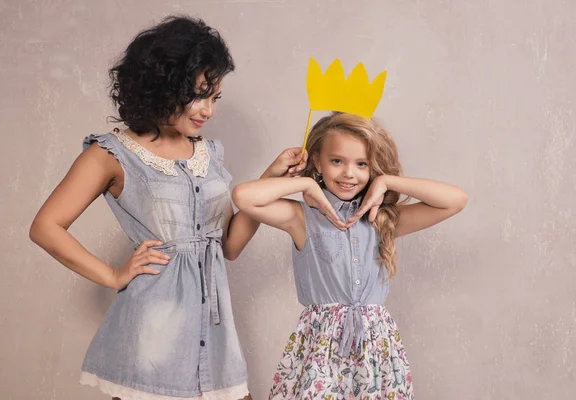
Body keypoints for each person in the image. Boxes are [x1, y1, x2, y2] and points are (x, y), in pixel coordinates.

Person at [29, 15, 307, 400]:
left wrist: (271, 178)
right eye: (198, 94)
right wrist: (112, 275)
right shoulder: (112, 154)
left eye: (214, 97)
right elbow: (45, 226)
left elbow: (228, 245)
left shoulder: (209, 153)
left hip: (216, 336)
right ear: (162, 86)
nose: (207, 110)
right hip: (152, 338)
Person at [232, 112, 468, 399]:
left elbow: (456, 200)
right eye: (337, 161)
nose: (349, 173)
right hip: (321, 348)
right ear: (317, 161)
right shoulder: (302, 218)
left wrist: (388, 182)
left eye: (361, 164)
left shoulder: (382, 220)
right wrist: (305, 185)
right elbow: (244, 196)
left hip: (375, 351)